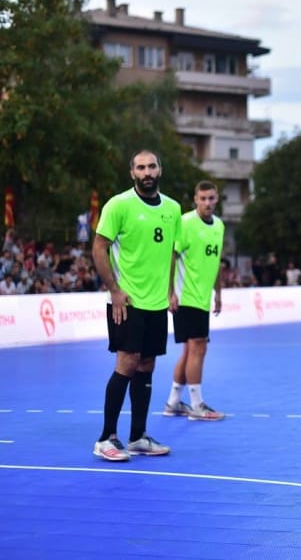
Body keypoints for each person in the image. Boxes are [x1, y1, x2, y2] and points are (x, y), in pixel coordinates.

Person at [91, 149, 182, 461]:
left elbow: (170, 253)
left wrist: (170, 291)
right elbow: (99, 248)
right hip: (127, 302)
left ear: (160, 169)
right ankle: (106, 438)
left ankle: (138, 437)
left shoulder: (173, 208)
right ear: (132, 173)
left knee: (147, 365)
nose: (147, 172)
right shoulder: (118, 205)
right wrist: (114, 290)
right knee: (127, 364)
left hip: (157, 304)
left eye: (152, 166)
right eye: (140, 167)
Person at [163, 181, 225, 421]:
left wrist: (218, 293)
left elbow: (216, 261)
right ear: (196, 200)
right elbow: (171, 256)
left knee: (191, 349)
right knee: (199, 347)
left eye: (211, 198)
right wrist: (170, 292)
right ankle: (197, 405)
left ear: (217, 199)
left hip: (202, 298)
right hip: (185, 296)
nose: (207, 203)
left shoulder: (219, 225)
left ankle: (173, 402)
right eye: (203, 198)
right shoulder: (186, 222)